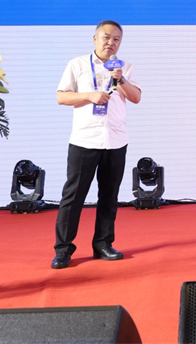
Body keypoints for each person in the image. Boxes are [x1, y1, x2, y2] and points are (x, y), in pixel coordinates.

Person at [52, 20, 141, 269]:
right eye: (106, 37)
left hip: (115, 140)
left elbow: (136, 97)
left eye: (116, 39)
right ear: (95, 39)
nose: (111, 43)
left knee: (109, 196)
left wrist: (122, 80)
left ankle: (103, 244)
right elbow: (61, 97)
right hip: (85, 139)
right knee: (73, 196)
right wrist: (89, 96)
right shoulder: (77, 64)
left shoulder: (125, 67)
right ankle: (63, 249)